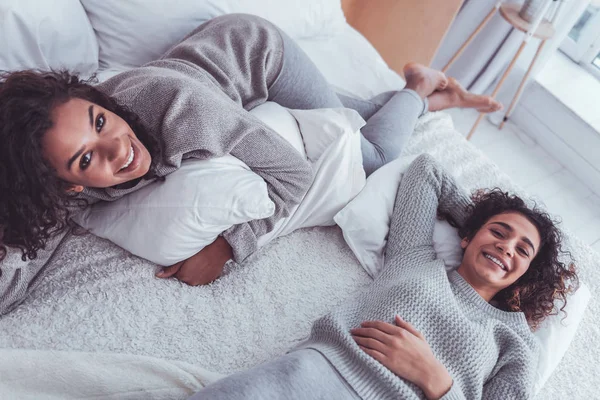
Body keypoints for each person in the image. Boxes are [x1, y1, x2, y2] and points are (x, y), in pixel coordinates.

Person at [0, 14, 502, 286]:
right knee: (361, 109)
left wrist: (228, 247)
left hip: (255, 55)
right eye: (87, 159)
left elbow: (295, 177)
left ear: (96, 100)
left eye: (101, 120)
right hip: (206, 76)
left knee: (371, 154)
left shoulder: (184, 112)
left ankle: (417, 87)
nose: (117, 148)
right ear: (68, 183)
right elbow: (35, 243)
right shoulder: (62, 189)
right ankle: (419, 100)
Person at [187, 154, 578, 400]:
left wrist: (435, 377)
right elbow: (428, 172)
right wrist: (475, 226)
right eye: (499, 231)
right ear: (467, 238)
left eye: (523, 250)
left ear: (527, 275)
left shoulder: (516, 344)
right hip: (311, 378)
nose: (507, 246)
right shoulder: (416, 259)